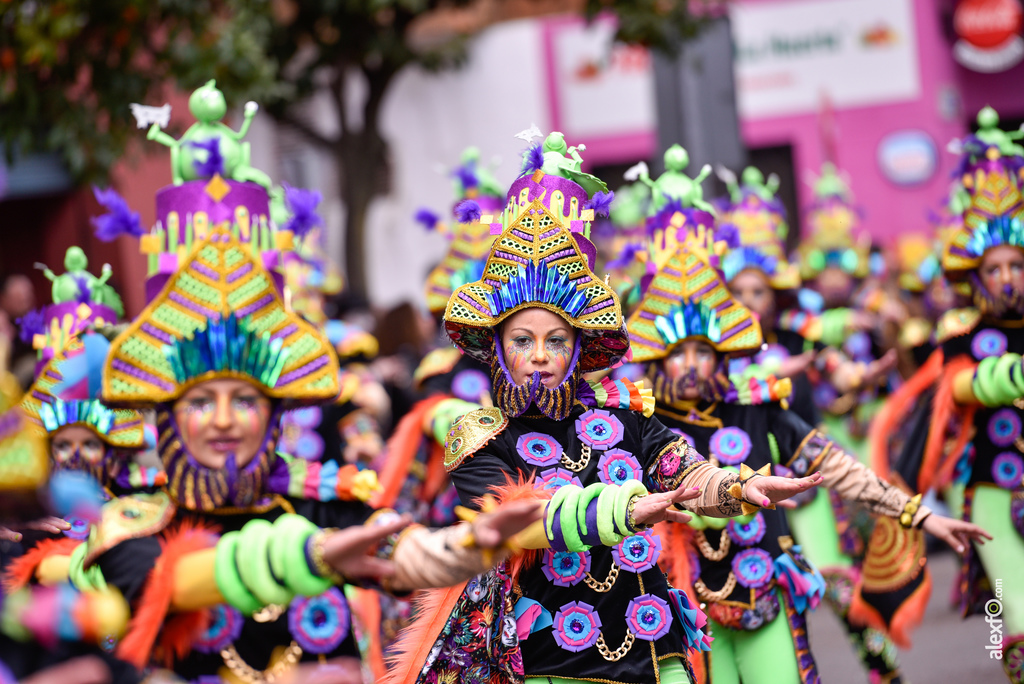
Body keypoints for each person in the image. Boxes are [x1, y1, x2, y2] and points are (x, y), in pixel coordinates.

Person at [390, 133, 825, 684]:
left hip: (656, 653)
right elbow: (521, 526)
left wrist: (735, 489)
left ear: (579, 349)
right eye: (522, 341)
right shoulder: (478, 436)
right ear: (497, 348)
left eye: (558, 341)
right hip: (553, 666)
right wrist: (626, 508)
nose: (541, 357)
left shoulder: (624, 414)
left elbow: (684, 470)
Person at [625, 223, 991, 684]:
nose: (694, 365)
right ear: (656, 357)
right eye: (679, 353)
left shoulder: (755, 405)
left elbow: (834, 464)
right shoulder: (635, 420)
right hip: (678, 602)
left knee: (837, 587)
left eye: (704, 350)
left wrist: (918, 516)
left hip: (764, 589)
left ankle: (884, 670)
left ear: (723, 352)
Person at [887, 109, 1024, 682]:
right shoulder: (959, 337)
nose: (1008, 277)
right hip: (990, 489)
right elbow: (951, 388)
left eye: (1017, 264)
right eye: (995, 268)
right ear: (975, 277)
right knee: (1014, 613)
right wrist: (1002, 378)